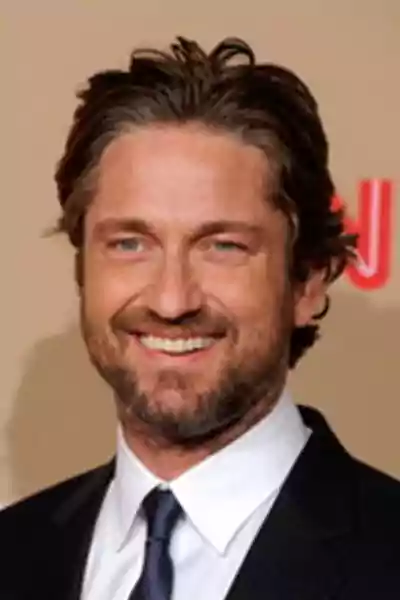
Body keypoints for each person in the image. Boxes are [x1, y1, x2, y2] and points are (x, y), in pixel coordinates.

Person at [0, 36, 399, 600]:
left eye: (223, 247)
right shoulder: (13, 551)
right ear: (83, 268)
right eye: (130, 243)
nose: (171, 301)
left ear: (308, 282)